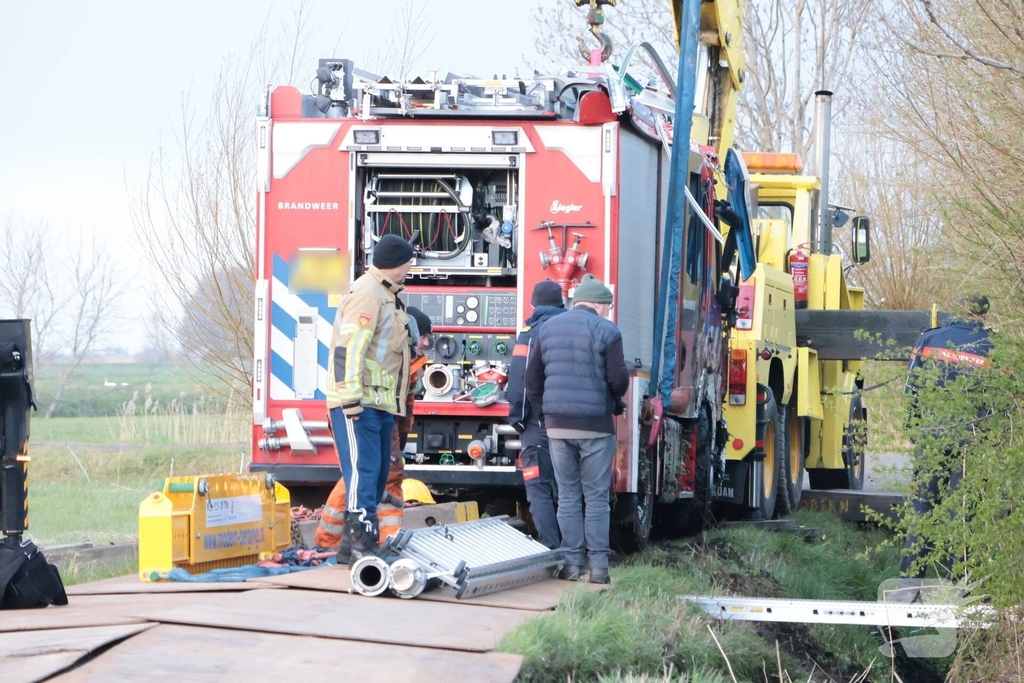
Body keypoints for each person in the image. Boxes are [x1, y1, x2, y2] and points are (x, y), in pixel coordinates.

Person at [524, 274, 629, 585]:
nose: (608, 313)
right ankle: (598, 570)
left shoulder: (546, 329)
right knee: (595, 498)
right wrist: (613, 403)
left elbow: (532, 380)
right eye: (607, 307)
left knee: (568, 497)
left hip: (557, 428)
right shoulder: (607, 331)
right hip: (595, 428)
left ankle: (571, 566)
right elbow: (619, 381)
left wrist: (545, 414)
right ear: (598, 304)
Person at [326, 234, 415, 563]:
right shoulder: (368, 293)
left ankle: (351, 548)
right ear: (398, 262)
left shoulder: (388, 296)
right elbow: (349, 349)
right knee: (362, 473)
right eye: (409, 261)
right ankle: (364, 543)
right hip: (358, 401)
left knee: (377, 474)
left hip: (379, 402)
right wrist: (350, 399)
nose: (411, 267)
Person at [317, 305, 432, 552]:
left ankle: (331, 540)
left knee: (359, 478)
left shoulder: (408, 362)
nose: (426, 342)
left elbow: (405, 409)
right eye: (425, 336)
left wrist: (397, 443)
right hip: (365, 414)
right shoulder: (396, 360)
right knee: (385, 477)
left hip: (371, 415)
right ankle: (388, 541)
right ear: (411, 332)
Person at [900, 294, 993, 578]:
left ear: (959, 311)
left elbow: (911, 391)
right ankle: (961, 585)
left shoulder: (930, 340)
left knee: (922, 510)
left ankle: (909, 583)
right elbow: (999, 402)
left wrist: (916, 430)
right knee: (964, 514)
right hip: (972, 442)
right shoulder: (993, 348)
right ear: (984, 316)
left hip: (932, 438)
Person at [506, 280, 566, 549]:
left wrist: (517, 419)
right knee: (569, 489)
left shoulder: (530, 335)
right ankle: (576, 551)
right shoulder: (574, 330)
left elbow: (520, 380)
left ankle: (552, 548)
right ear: (562, 304)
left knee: (539, 488)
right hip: (573, 424)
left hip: (538, 424)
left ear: (533, 305)